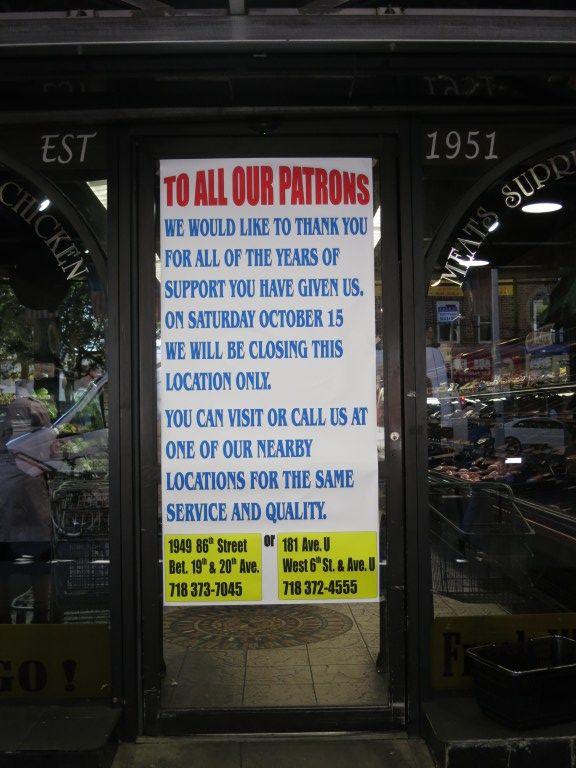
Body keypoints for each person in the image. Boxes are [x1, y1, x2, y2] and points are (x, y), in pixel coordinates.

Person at [0, 382, 53, 623]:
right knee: (39, 560)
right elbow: (50, 450)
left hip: (6, 493)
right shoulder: (37, 409)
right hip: (31, 492)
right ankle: (42, 614)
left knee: (5, 560)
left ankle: (4, 618)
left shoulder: (6, 412)